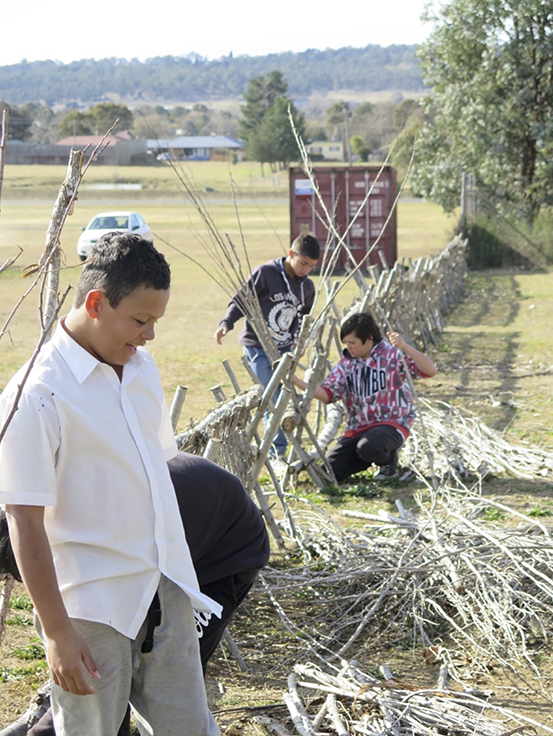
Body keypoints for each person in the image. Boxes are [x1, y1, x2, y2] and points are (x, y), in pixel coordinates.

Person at [0, 233, 221, 736]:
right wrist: (57, 632)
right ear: (96, 303)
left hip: (165, 589)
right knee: (90, 729)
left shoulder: (141, 371)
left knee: (188, 726)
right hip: (90, 607)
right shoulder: (36, 395)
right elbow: (24, 521)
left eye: (155, 322)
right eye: (140, 320)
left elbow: (153, 475)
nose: (149, 336)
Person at [0, 451, 270, 736]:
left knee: (168, 674)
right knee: (117, 661)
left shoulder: (106, 530)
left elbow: (111, 655)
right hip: (180, 529)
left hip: (225, 552)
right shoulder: (72, 510)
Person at [291, 311, 437, 483]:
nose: (349, 347)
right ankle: (362, 459)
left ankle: (388, 463)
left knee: (370, 445)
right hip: (358, 428)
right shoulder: (346, 364)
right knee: (328, 473)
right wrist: (297, 381)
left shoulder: (392, 356)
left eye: (352, 342)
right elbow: (328, 394)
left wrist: (404, 346)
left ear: (368, 338)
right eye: (346, 343)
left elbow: (430, 370)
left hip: (391, 424)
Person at [214, 232, 320, 458]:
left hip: (284, 350)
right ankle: (277, 452)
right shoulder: (266, 273)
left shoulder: (307, 287)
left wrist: (299, 343)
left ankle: (278, 448)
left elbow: (304, 318)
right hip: (257, 346)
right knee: (272, 395)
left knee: (284, 395)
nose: (305, 270)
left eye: (310, 266)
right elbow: (242, 299)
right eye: (302, 263)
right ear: (291, 254)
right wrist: (227, 323)